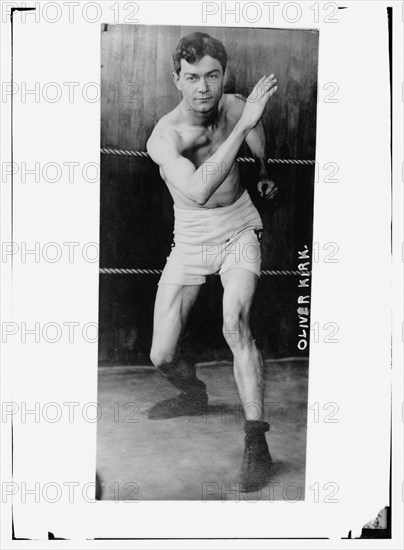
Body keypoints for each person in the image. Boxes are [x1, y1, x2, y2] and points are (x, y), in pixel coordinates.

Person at [146, 32, 278, 492]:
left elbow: (253, 128)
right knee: (161, 354)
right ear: (176, 79)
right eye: (192, 77)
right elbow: (199, 190)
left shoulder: (238, 105)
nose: (203, 88)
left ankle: (256, 443)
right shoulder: (166, 136)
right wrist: (243, 127)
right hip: (192, 237)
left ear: (223, 75)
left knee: (234, 324)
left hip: (240, 225)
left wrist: (262, 172)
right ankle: (193, 392)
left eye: (212, 76)